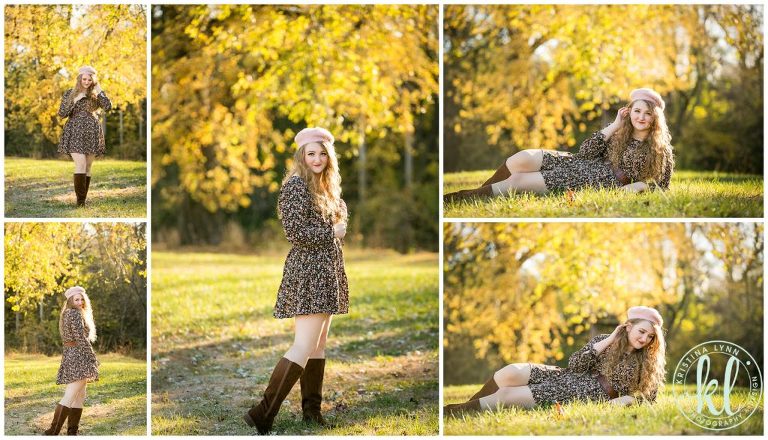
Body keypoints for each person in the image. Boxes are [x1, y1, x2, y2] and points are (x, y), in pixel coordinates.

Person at [244, 127, 349, 434]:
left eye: (322, 153)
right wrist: (332, 232)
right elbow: (295, 233)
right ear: (301, 156)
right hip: (308, 272)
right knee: (303, 344)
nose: (317, 159)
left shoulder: (326, 186)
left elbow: (336, 224)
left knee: (318, 346)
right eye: (311, 153)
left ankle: (311, 413)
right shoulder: (296, 186)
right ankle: (262, 413)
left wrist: (339, 220)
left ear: (330, 157)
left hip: (326, 270)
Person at [445, 88, 674, 202]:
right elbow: (585, 153)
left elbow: (663, 187)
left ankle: (461, 199)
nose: (641, 117)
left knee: (517, 181)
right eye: (637, 111)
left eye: (647, 113)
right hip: (580, 163)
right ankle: (476, 195)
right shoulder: (620, 133)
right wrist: (614, 125)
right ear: (629, 112)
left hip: (595, 181)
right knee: (521, 158)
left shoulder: (660, 150)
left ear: (656, 119)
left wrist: (641, 187)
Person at [444, 306, 666, 416]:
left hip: (585, 393)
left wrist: (627, 400)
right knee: (510, 372)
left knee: (505, 396)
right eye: (641, 331)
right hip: (569, 376)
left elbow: (650, 399)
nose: (644, 339)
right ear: (627, 326)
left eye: (650, 337)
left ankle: (453, 413)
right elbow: (576, 364)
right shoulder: (604, 341)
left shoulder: (647, 360)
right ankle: (463, 409)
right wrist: (609, 340)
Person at [44, 286, 99, 435]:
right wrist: (92, 356)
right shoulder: (74, 314)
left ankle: (72, 432)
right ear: (70, 300)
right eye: (76, 299)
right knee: (70, 395)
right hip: (78, 357)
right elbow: (80, 338)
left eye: (82, 299)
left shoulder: (68, 314)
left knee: (80, 396)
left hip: (72, 355)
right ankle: (53, 431)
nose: (80, 302)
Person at [57, 66, 113, 206]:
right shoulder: (70, 93)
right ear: (79, 78)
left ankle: (83, 200)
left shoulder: (96, 94)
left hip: (92, 132)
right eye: (84, 79)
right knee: (80, 164)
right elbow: (62, 113)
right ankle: (80, 202)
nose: (86, 82)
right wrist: (76, 99)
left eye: (89, 79)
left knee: (87, 167)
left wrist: (99, 89)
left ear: (93, 80)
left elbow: (108, 107)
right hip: (75, 131)